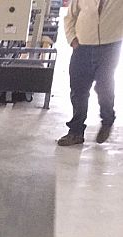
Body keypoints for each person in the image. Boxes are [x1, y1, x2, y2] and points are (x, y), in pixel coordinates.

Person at [58, 0, 123, 146]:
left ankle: (107, 120)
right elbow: (70, 17)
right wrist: (72, 39)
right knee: (78, 90)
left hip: (110, 47)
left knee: (104, 87)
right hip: (82, 47)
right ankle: (75, 132)